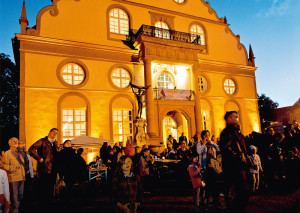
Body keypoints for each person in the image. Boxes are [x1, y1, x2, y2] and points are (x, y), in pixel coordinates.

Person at [219, 111, 250, 213]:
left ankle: (238, 207)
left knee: (244, 189)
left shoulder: (238, 133)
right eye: (235, 117)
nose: (237, 118)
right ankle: (235, 208)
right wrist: (238, 156)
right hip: (233, 166)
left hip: (241, 165)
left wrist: (246, 156)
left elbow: (243, 147)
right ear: (228, 119)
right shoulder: (227, 132)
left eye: (237, 116)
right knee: (241, 189)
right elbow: (226, 147)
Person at [28, 128, 59, 203]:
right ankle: (43, 203)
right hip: (44, 168)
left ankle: (49, 202)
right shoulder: (42, 141)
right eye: (53, 132)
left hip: (53, 168)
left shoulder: (55, 143)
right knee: (44, 186)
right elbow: (31, 149)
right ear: (50, 132)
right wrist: (39, 158)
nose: (54, 134)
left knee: (51, 186)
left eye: (56, 133)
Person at [2, 137, 26, 213]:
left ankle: (17, 206)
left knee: (20, 194)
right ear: (10, 143)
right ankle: (15, 209)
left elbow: (25, 162)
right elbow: (4, 165)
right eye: (14, 141)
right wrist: (14, 168)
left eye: (17, 141)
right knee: (14, 196)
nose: (16, 142)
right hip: (13, 177)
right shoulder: (7, 153)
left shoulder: (20, 152)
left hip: (21, 177)